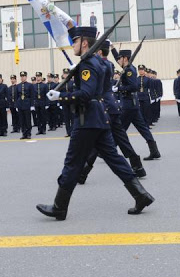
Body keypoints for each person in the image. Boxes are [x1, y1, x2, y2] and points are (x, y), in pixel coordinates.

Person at [37, 26, 154, 221]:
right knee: (115, 159)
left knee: (72, 162)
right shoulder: (97, 62)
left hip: (87, 120)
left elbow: (86, 94)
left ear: (84, 43)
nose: (72, 45)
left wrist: (61, 96)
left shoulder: (87, 64)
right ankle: (141, 195)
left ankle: (59, 206)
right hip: (100, 118)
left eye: (74, 41)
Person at [78, 39, 147, 184]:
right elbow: (113, 60)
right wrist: (113, 48)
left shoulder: (101, 65)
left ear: (99, 52)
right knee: (120, 140)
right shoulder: (107, 64)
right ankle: (137, 166)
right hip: (113, 107)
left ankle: (82, 173)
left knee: (96, 143)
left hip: (105, 108)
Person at [111, 45, 162, 160]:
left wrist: (119, 89)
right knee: (142, 128)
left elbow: (134, 86)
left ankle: (110, 150)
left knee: (120, 129)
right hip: (132, 104)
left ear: (125, 58)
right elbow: (117, 58)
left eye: (120, 58)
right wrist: (112, 48)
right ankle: (154, 150)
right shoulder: (127, 67)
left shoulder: (129, 70)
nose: (118, 60)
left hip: (129, 105)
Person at [16, 71, 35, 139]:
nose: (22, 77)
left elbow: (32, 96)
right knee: (22, 120)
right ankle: (24, 133)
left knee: (27, 120)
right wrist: (16, 105)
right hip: (20, 104)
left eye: (24, 76)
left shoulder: (30, 85)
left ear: (26, 77)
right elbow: (16, 96)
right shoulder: (18, 86)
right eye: (21, 76)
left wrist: (32, 105)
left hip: (27, 104)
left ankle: (28, 133)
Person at [61, 69, 74, 137]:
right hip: (64, 102)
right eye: (64, 74)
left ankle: (72, 131)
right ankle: (68, 132)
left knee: (72, 117)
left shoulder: (72, 82)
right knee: (66, 118)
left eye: (67, 73)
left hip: (71, 102)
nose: (65, 75)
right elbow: (59, 93)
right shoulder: (62, 83)